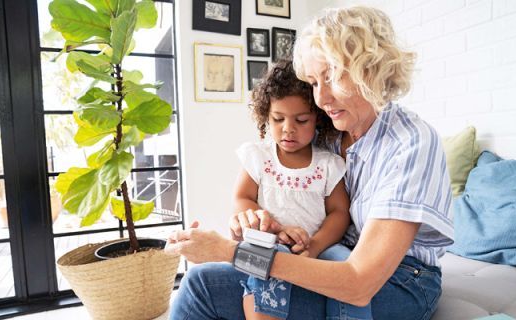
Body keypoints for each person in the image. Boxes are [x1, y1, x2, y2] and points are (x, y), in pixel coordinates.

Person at [167, 5, 454, 320]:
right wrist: (263, 224)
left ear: (371, 70)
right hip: (329, 258)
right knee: (198, 283)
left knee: (215, 287)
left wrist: (227, 251)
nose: (322, 98)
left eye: (330, 77)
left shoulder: (410, 143)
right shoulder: (326, 136)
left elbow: (359, 283)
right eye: (315, 83)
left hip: (400, 280)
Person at [234, 60, 350, 319]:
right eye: (278, 119)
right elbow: (242, 198)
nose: (288, 128)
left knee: (347, 264)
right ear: (266, 115)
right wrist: (273, 228)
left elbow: (339, 213)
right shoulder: (258, 156)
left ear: (318, 118)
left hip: (320, 246)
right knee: (263, 262)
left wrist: (315, 246)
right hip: (270, 241)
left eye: (301, 120)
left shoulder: (328, 164)